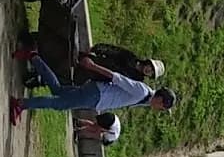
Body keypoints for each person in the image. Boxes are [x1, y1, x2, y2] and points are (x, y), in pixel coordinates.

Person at [9, 53, 176, 124]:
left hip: (97, 97)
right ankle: (21, 104)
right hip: (96, 95)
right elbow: (117, 78)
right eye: (162, 107)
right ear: (160, 100)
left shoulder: (146, 100)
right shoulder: (142, 91)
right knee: (59, 103)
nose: (159, 110)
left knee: (58, 91)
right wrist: (93, 66)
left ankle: (34, 57)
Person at [88, 48, 165, 81]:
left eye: (151, 73)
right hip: (98, 61)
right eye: (151, 68)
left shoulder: (136, 80)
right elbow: (115, 51)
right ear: (149, 63)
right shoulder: (132, 57)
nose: (149, 71)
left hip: (99, 77)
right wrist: (97, 49)